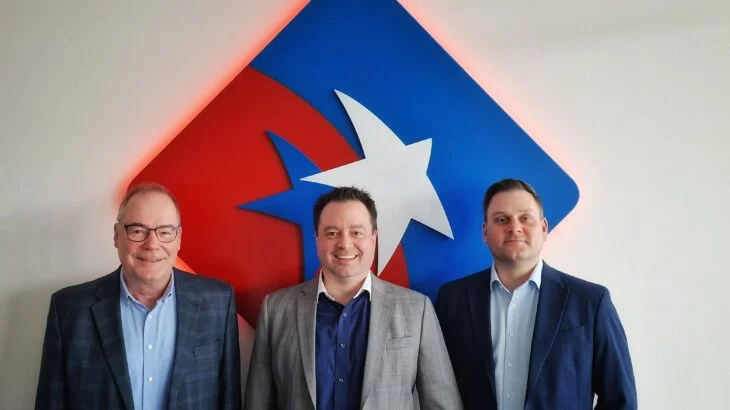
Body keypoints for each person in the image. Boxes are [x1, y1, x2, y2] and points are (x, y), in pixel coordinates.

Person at [244, 186, 461, 410]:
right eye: (332, 233)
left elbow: (443, 404)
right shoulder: (276, 309)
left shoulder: (417, 309)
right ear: (317, 239)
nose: (345, 244)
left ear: (373, 238)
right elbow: (258, 402)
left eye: (356, 232)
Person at [35, 183, 241, 410]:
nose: (152, 244)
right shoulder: (69, 309)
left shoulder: (218, 302)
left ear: (179, 238)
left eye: (165, 232)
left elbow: (229, 400)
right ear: (117, 235)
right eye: (137, 231)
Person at [435, 178, 637, 410]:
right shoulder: (453, 300)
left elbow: (620, 400)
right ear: (485, 232)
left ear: (543, 228)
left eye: (525, 218)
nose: (514, 228)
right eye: (502, 220)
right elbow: (435, 390)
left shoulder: (591, 302)